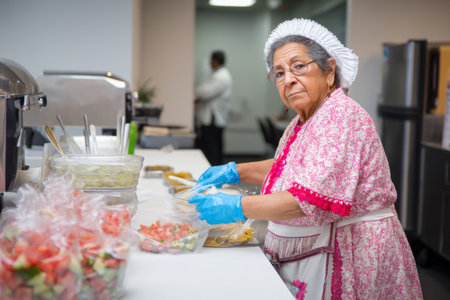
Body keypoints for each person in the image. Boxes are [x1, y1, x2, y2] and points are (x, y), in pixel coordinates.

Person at [189, 19, 423, 299]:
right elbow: (286, 169)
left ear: (329, 70)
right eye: (278, 73)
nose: (287, 79)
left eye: (298, 66)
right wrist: (234, 171)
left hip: (354, 252)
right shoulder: (303, 119)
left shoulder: (340, 116)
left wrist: (237, 206)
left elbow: (306, 198)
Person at [194, 50, 232, 166]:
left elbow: (204, 92)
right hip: (213, 118)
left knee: (213, 148)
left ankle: (214, 170)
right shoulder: (217, 74)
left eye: (211, 61)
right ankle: (214, 168)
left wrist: (199, 94)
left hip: (214, 119)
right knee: (213, 146)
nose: (210, 63)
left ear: (215, 61)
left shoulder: (221, 76)